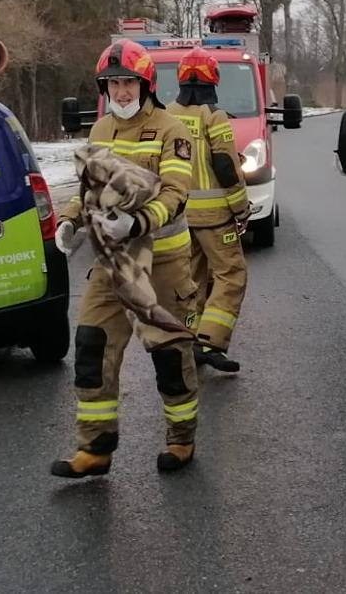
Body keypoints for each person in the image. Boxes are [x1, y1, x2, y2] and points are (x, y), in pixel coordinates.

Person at [49, 40, 204, 478]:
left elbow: (176, 194)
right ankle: (95, 448)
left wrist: (136, 224)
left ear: (145, 84)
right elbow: (89, 191)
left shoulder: (172, 130)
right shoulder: (100, 131)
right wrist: (70, 220)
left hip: (162, 265)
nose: (120, 91)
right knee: (91, 348)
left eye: (127, 82)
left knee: (170, 356)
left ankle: (181, 440)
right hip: (111, 264)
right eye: (113, 83)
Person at [168, 51, 251, 373]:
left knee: (191, 279)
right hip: (216, 218)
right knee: (231, 275)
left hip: (180, 217)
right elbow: (225, 167)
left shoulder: (168, 116)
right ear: (212, 80)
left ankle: (188, 340)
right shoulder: (214, 117)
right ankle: (212, 341)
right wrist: (241, 207)